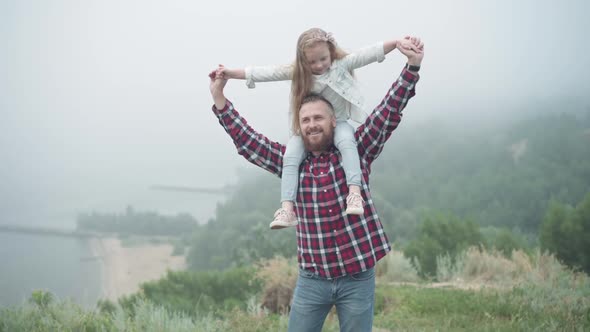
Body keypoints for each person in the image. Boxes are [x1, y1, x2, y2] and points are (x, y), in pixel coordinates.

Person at [209, 35, 424, 332]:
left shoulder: (357, 150)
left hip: (358, 274)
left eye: (318, 118)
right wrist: (220, 99)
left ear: (334, 121)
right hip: (313, 279)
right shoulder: (292, 163)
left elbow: (388, 112)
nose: (312, 124)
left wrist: (411, 68)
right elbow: (249, 142)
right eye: (306, 119)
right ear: (299, 125)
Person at [217, 28, 413, 230]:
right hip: (303, 134)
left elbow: (369, 53)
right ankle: (287, 209)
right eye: (312, 62)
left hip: (340, 122)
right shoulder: (298, 73)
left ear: (331, 52)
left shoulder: (341, 65)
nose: (319, 66)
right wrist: (230, 74)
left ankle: (354, 194)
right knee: (290, 159)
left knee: (348, 144)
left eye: (323, 59)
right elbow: (263, 73)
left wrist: (397, 43)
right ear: (303, 62)